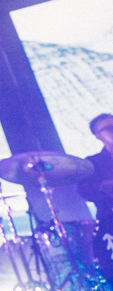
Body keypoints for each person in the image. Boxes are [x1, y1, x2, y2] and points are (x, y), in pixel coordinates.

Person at [79, 113, 113, 280]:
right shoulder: (93, 163)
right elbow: (85, 191)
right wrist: (104, 187)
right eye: (109, 128)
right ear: (98, 136)